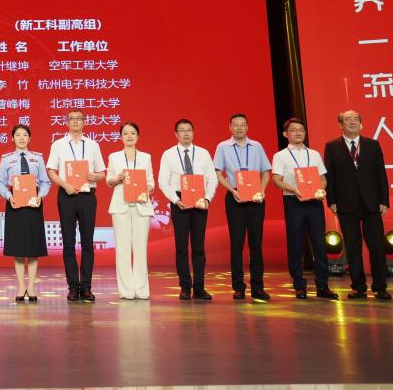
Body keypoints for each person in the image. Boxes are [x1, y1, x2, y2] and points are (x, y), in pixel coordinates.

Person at [323, 110, 392, 300]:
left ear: (361, 123)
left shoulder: (372, 144)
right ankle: (358, 287)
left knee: (377, 246)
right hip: (346, 203)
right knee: (353, 247)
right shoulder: (332, 146)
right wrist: (332, 201)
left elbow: (381, 173)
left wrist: (384, 200)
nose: (352, 122)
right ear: (341, 125)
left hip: (372, 203)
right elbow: (330, 176)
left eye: (356, 119)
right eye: (348, 119)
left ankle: (380, 287)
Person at [271, 118, 338, 300]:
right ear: (286, 134)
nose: (298, 133)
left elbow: (322, 177)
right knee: (296, 244)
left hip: (314, 202)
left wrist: (321, 189)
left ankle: (323, 285)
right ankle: (299, 286)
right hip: (294, 201)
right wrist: (294, 189)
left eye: (301, 130)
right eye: (293, 130)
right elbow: (276, 180)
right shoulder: (280, 156)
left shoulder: (314, 154)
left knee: (319, 244)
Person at [46, 109, 106, 302]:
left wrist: (95, 176)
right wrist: (65, 184)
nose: (75, 122)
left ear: (84, 122)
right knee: (69, 243)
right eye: (71, 119)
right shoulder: (58, 144)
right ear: (66, 122)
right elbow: (51, 170)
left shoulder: (93, 145)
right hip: (67, 195)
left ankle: (86, 287)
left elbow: (102, 173)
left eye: (78, 119)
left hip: (87, 196)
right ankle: (73, 286)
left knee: (88, 243)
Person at [213, 113, 273, 301]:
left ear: (247, 127)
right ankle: (238, 287)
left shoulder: (256, 146)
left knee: (256, 244)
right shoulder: (223, 147)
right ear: (230, 127)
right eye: (236, 125)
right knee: (236, 243)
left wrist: (261, 191)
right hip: (235, 197)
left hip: (255, 197)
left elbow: (266, 171)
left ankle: (258, 287)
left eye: (243, 125)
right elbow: (218, 173)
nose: (239, 128)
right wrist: (232, 190)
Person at [158, 119, 218, 301]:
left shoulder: (203, 153)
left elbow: (212, 179)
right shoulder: (168, 154)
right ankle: (185, 287)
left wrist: (207, 199)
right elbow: (163, 181)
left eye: (189, 130)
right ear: (176, 134)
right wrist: (176, 200)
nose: (186, 133)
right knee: (181, 247)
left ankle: (199, 288)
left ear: (193, 132)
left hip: (200, 200)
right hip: (180, 201)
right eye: (182, 130)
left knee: (199, 248)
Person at [0, 124, 51, 302]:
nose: (21, 138)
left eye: (25, 135)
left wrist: (40, 196)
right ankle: (21, 286)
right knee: (18, 249)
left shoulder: (37, 158)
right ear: (12, 138)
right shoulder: (6, 159)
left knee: (33, 249)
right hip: (15, 204)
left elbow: (45, 182)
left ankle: (32, 287)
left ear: (29, 138)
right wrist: (9, 196)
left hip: (34, 203)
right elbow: (0, 182)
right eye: (18, 135)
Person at [106, 121, 155, 300]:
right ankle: (126, 290)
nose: (129, 136)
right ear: (121, 137)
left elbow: (151, 181)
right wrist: (117, 179)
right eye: (125, 133)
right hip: (121, 206)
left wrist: (147, 189)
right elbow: (109, 180)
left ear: (138, 136)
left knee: (140, 249)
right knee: (123, 249)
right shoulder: (114, 157)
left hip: (141, 206)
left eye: (132, 133)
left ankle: (141, 290)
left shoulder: (146, 157)